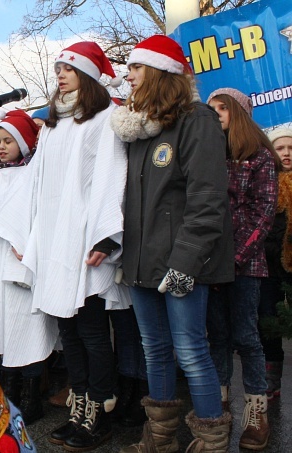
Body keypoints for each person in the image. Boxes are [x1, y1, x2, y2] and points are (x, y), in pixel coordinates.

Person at [111, 35, 234, 452]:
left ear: (160, 72)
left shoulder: (197, 120)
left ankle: (211, 441)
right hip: (143, 263)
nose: (128, 76)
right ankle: (160, 439)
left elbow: (207, 199)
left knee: (191, 351)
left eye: (136, 68)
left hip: (182, 263)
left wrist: (185, 263)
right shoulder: (141, 130)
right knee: (155, 349)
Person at [16, 42, 127, 452]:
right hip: (54, 238)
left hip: (85, 238)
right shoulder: (53, 125)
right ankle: (77, 408)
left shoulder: (106, 118)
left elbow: (113, 176)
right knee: (68, 330)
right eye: (58, 68)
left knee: (92, 330)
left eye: (69, 69)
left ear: (89, 76)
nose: (60, 75)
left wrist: (105, 234)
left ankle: (97, 414)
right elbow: (36, 186)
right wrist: (28, 238)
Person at [0, 110, 58, 425]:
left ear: (23, 142)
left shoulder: (34, 175)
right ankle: (8, 393)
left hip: (21, 263)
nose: (2, 146)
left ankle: (32, 397)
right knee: (1, 330)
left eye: (9, 140)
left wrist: (27, 246)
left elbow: (38, 215)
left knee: (25, 330)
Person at [205, 87, 277, 450]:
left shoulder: (259, 156)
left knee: (246, 338)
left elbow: (263, 214)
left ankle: (257, 412)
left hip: (245, 267)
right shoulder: (207, 154)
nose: (215, 113)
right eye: (210, 108)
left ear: (239, 112)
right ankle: (218, 407)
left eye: (222, 107)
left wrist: (233, 260)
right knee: (216, 337)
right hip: (210, 265)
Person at [259, 127, 292, 401]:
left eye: (291, 148)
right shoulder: (266, 181)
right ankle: (272, 380)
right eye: (280, 148)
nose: (287, 153)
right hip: (269, 267)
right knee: (268, 322)